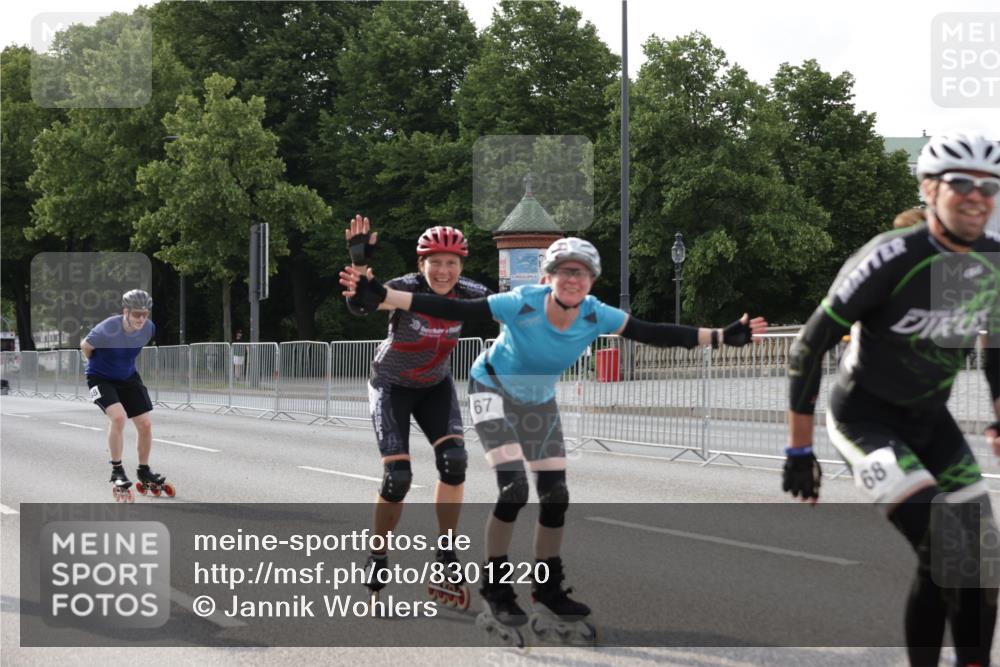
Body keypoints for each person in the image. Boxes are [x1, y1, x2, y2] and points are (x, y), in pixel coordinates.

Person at [342, 236, 767, 638]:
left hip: (537, 402)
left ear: (591, 281)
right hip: (491, 389)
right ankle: (497, 586)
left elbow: (653, 331)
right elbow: (451, 310)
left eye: (581, 273)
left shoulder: (596, 313)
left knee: (556, 496)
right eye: (563, 271)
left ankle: (546, 588)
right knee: (513, 490)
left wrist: (720, 336)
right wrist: (383, 295)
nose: (572, 279)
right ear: (547, 277)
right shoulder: (522, 303)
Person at [783, 132, 1000, 666]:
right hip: (865, 421)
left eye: (989, 185)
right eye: (962, 183)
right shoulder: (892, 255)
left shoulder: (992, 261)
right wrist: (799, 450)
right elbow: (809, 346)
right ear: (929, 189)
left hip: (930, 421)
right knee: (951, 550)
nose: (977, 195)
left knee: (978, 558)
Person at [343, 215, 492, 607]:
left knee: (456, 461)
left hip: (434, 387)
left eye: (452, 263)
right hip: (391, 386)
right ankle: (378, 555)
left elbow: (511, 312)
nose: (443, 271)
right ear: (421, 263)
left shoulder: (470, 292)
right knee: (398, 478)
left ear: (462, 265)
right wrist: (359, 266)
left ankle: (446, 553)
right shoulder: (405, 288)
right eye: (435, 262)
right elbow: (362, 304)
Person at [82, 289, 173, 501]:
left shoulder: (149, 328)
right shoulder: (107, 328)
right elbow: (85, 347)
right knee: (119, 417)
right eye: (136, 314)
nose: (141, 318)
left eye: (145, 313)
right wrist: (98, 363)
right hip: (100, 377)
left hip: (128, 377)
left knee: (145, 424)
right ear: (125, 312)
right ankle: (117, 469)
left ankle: (143, 470)